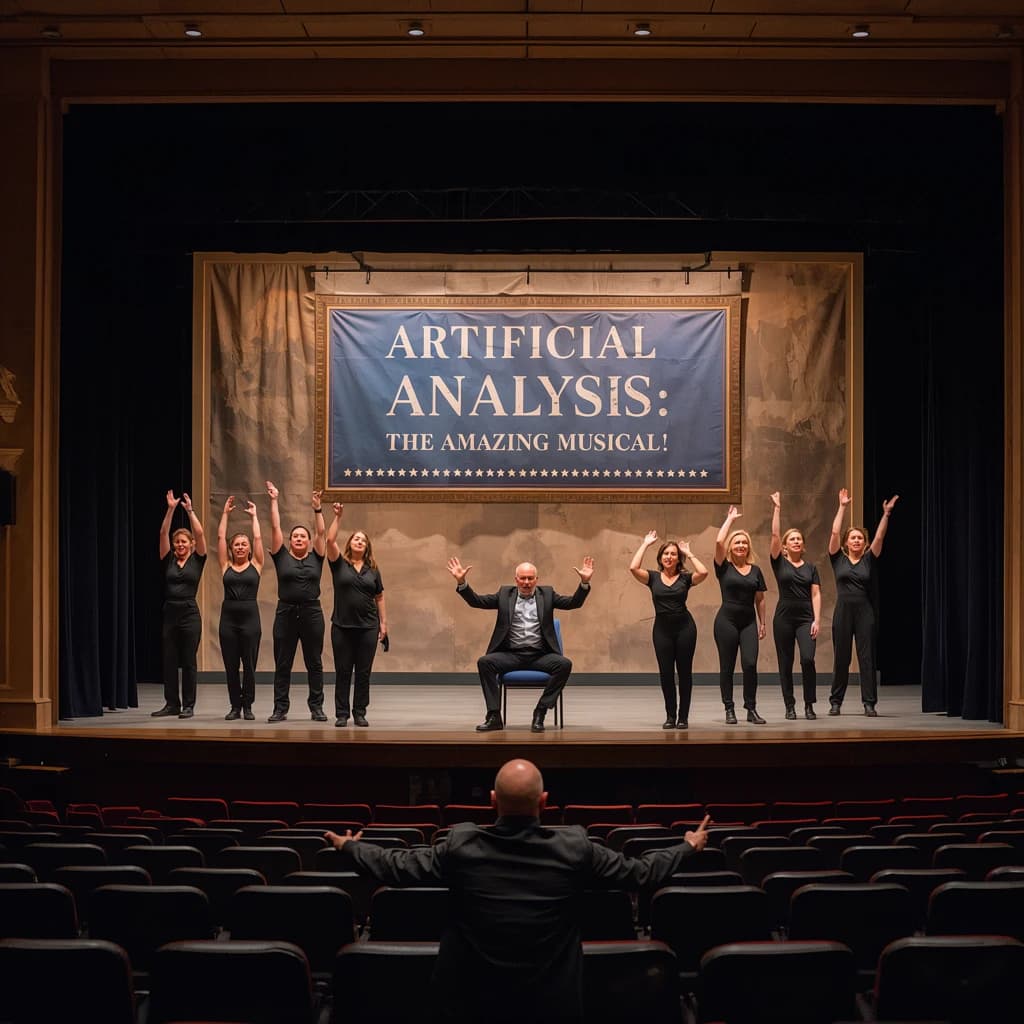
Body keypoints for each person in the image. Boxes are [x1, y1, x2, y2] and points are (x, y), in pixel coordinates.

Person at [325, 758, 710, 1024]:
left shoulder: (462, 844)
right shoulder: (574, 846)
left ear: (492, 802)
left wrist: (349, 847)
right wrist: (688, 846)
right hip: (552, 1004)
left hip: (469, 1004)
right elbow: (641, 874)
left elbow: (397, 866)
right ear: (545, 802)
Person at [446, 555, 594, 733]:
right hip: (511, 655)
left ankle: (540, 711)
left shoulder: (547, 594)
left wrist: (584, 583)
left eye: (530, 578)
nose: (526, 582)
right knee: (485, 662)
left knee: (564, 665)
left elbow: (573, 603)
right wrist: (462, 583)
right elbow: (476, 601)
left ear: (536, 580)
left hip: (540, 655)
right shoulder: (504, 594)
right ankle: (494, 716)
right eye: (522, 578)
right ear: (516, 579)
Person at [828, 487, 899, 717]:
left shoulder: (869, 559)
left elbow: (879, 537)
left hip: (864, 612)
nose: (856, 540)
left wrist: (886, 515)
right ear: (847, 542)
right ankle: (836, 702)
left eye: (860, 538)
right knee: (841, 658)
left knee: (867, 658)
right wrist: (842, 507)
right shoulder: (837, 558)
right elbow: (834, 532)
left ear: (864, 543)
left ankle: (869, 703)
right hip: (843, 612)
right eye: (853, 537)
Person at [628, 530, 709, 729]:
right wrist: (645, 543)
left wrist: (689, 553)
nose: (669, 557)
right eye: (666, 554)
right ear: (660, 557)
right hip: (662, 631)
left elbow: (704, 572)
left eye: (673, 554)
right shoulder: (653, 578)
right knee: (666, 674)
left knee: (684, 673)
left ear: (678, 558)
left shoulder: (685, 578)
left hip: (685, 629)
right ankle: (670, 716)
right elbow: (633, 567)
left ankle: (683, 717)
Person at [265, 480, 327, 723]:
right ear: (290, 541)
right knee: (283, 664)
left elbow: (322, 532)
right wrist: (273, 500)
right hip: (286, 613)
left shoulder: (317, 557)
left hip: (312, 612)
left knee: (315, 663)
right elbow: (275, 525)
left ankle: (317, 708)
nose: (299, 539)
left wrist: (317, 509)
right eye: (295, 536)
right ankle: (280, 709)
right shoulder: (281, 556)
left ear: (309, 542)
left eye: (303, 536)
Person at [326, 503, 387, 727]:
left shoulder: (373, 570)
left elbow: (379, 596)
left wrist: (384, 623)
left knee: (363, 673)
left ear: (367, 546)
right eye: (355, 539)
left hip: (368, 628)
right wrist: (337, 517)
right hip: (342, 626)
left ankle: (359, 711)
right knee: (343, 671)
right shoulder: (339, 564)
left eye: (363, 539)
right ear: (350, 543)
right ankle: (342, 714)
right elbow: (329, 541)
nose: (359, 541)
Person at [154, 489, 207, 719]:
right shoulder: (169, 560)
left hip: (189, 612)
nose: (180, 544)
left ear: (191, 544)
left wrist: (189, 510)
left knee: (188, 661)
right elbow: (163, 532)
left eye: (184, 541)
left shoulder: (198, 559)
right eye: (177, 541)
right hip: (170, 612)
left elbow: (201, 533)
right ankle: (171, 704)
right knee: (169, 660)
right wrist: (171, 509)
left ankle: (188, 705)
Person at [769, 492, 821, 721]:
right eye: (792, 539)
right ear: (785, 546)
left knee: (808, 659)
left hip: (805, 617)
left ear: (803, 544)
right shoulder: (779, 562)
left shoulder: (811, 568)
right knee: (786, 663)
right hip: (783, 618)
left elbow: (816, 594)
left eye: (799, 539)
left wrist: (817, 620)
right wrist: (777, 508)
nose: (797, 541)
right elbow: (774, 534)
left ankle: (809, 704)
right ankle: (789, 705)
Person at [713, 506, 768, 725]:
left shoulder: (755, 571)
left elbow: (760, 599)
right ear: (731, 547)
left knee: (750, 664)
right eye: (737, 542)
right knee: (727, 666)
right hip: (726, 621)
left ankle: (751, 708)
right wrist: (730, 520)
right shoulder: (723, 567)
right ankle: (729, 708)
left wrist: (763, 623)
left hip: (748, 622)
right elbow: (718, 542)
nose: (741, 546)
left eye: (744, 543)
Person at [216, 495, 264, 721]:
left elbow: (257, 536)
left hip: (250, 620)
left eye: (244, 544)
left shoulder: (256, 564)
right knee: (231, 665)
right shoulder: (225, 565)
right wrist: (225, 513)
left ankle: (248, 706)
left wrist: (254, 516)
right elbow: (219, 536)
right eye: (237, 544)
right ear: (231, 548)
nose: (241, 547)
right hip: (228, 620)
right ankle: (235, 706)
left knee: (250, 666)